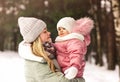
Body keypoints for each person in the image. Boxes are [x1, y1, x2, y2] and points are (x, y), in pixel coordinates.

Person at [18, 17, 85, 82]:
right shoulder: (37, 62)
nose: (49, 33)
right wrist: (81, 80)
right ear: (36, 37)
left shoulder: (48, 52)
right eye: (45, 32)